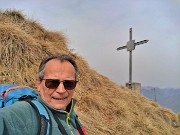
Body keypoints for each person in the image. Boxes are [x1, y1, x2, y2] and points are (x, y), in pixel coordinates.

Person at [0, 54, 86, 135]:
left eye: (68, 83)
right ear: (38, 84)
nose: (61, 90)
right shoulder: (25, 112)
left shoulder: (71, 114)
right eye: (52, 82)